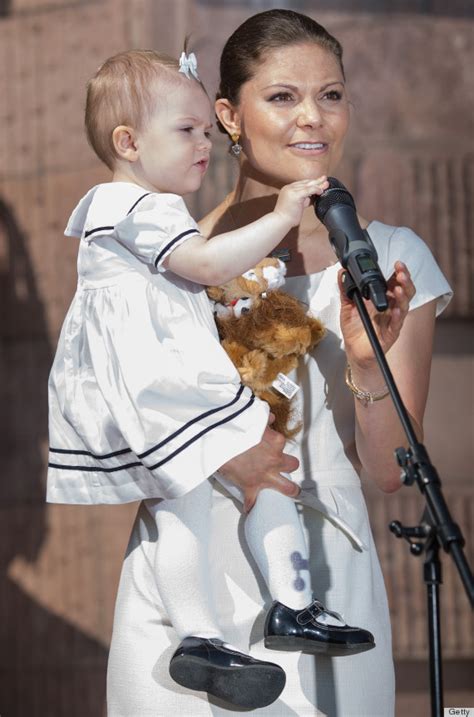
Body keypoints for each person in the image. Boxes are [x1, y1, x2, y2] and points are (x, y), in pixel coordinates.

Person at [106, 11, 452, 717]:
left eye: (331, 94)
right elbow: (110, 436)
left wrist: (366, 363)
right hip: (189, 582)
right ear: (228, 115)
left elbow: (390, 472)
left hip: (326, 578)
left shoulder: (387, 260)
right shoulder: (171, 260)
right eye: (283, 97)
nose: (313, 119)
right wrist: (222, 457)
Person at [46, 47, 375, 711]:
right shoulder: (142, 205)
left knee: (230, 486)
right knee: (222, 488)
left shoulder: (125, 207)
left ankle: (252, 618)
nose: (205, 144)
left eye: (206, 130)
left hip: (158, 381)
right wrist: (283, 214)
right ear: (128, 142)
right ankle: (239, 619)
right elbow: (201, 263)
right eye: (187, 130)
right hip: (160, 383)